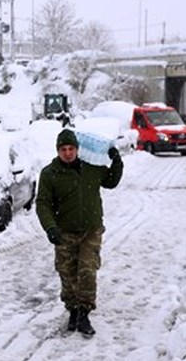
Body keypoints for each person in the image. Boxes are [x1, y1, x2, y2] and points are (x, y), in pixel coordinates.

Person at [35, 129, 123, 337]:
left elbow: (111, 181)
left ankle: (84, 312)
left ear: (77, 149)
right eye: (63, 149)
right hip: (64, 231)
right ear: (58, 151)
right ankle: (72, 310)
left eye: (71, 148)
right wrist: (50, 227)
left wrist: (117, 161)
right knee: (67, 272)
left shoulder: (91, 168)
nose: (68, 153)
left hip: (91, 229)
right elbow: (43, 204)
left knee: (87, 269)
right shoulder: (50, 174)